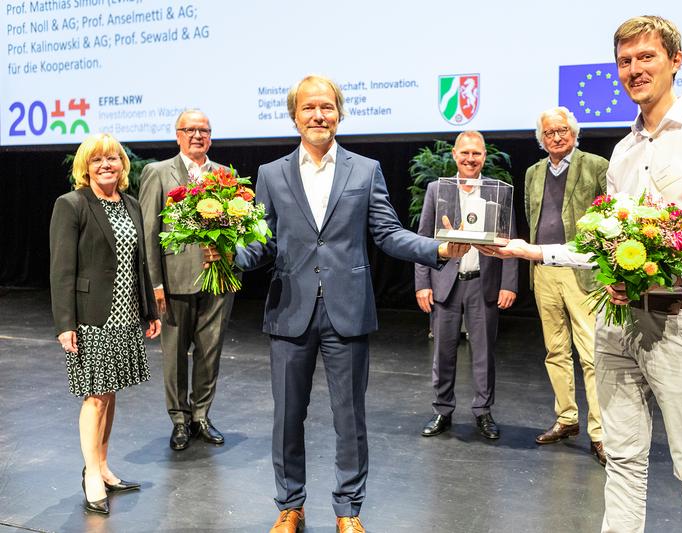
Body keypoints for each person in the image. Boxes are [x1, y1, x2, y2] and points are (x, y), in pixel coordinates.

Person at [477, 15, 682, 533]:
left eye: (646, 57)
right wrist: (536, 252)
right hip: (617, 324)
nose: (634, 69)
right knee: (623, 463)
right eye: (624, 61)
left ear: (676, 61)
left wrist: (671, 275)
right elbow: (606, 248)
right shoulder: (624, 151)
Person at [227, 75, 468, 533]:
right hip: (289, 311)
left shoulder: (365, 169)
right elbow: (261, 245)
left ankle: (348, 511)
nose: (319, 115)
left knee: (350, 418)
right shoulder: (272, 174)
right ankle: (290, 506)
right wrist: (227, 255)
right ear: (294, 116)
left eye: (327, 107)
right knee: (286, 418)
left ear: (340, 113)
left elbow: (387, 233)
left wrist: (438, 249)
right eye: (309, 108)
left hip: (348, 310)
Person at [50, 133, 161, 514]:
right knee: (95, 395)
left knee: (110, 393)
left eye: (112, 158)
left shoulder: (130, 203)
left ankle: (103, 465)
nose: (106, 165)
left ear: (123, 165)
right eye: (97, 160)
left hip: (126, 315)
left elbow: (139, 261)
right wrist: (65, 322)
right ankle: (91, 475)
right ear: (86, 167)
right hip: (91, 317)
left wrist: (149, 310)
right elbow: (62, 269)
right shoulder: (72, 204)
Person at [139, 110, 234, 451]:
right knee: (175, 356)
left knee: (210, 352)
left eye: (204, 130)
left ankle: (201, 415)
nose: (197, 135)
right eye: (190, 130)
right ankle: (179, 420)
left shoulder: (224, 175)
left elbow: (238, 229)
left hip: (217, 281)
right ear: (177, 135)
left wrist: (228, 256)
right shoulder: (159, 173)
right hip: (174, 281)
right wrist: (155, 285)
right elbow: (149, 232)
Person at [415, 130, 517, 440]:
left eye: (476, 153)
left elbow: (509, 239)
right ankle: (442, 410)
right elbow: (423, 239)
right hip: (445, 282)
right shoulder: (438, 189)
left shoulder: (498, 191)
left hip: (483, 282)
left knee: (484, 352)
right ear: (455, 156)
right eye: (465, 153)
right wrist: (422, 283)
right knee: (443, 352)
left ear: (484, 156)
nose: (470, 159)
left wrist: (509, 283)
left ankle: (483, 412)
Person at [524, 107, 607, 464]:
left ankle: (601, 432)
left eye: (562, 131)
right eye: (549, 133)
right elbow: (532, 216)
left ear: (574, 133)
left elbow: (610, 216)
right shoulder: (533, 172)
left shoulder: (596, 165)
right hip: (543, 269)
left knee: (591, 355)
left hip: (581, 271)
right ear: (541, 139)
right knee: (555, 350)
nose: (556, 137)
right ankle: (567, 418)